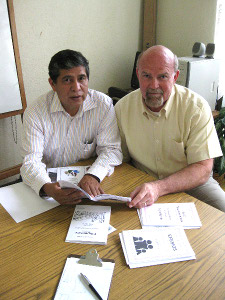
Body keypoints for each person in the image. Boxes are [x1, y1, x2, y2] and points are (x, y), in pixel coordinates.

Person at [115, 45, 225, 212]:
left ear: (175, 77)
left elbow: (203, 169)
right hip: (143, 180)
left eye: (163, 76)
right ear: (138, 75)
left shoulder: (196, 108)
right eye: (146, 76)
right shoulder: (123, 108)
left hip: (192, 183)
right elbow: (119, 159)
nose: (154, 85)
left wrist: (159, 188)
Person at [21, 49, 122, 205]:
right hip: (49, 188)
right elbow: (30, 162)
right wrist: (47, 187)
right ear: (52, 84)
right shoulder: (36, 112)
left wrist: (94, 175)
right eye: (67, 80)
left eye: (82, 78)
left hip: (87, 185)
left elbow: (111, 150)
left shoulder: (103, 105)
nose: (76, 87)